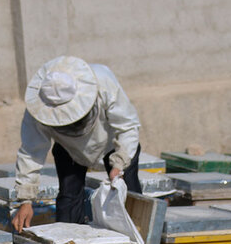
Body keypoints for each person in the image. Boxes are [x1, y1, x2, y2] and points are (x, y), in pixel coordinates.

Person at [11, 56, 142, 231]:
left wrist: (119, 163)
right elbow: (31, 152)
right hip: (69, 150)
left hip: (113, 143)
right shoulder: (36, 109)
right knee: (68, 200)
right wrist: (26, 200)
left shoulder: (103, 81)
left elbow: (127, 126)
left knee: (131, 200)